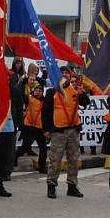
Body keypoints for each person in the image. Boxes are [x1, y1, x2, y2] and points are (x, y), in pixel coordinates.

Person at [42, 66, 90, 199]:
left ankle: (72, 186)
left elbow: (86, 103)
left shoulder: (75, 91)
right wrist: (46, 130)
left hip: (73, 130)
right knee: (55, 160)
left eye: (67, 74)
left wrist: (83, 94)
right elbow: (45, 112)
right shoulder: (52, 92)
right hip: (58, 131)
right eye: (62, 74)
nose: (65, 76)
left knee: (73, 160)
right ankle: (51, 186)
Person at [14, 84, 47, 173]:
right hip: (29, 127)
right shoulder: (29, 98)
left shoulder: (45, 101)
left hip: (40, 128)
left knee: (43, 149)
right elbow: (21, 95)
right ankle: (15, 157)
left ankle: (42, 167)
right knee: (25, 148)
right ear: (33, 91)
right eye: (36, 90)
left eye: (40, 91)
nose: (38, 92)